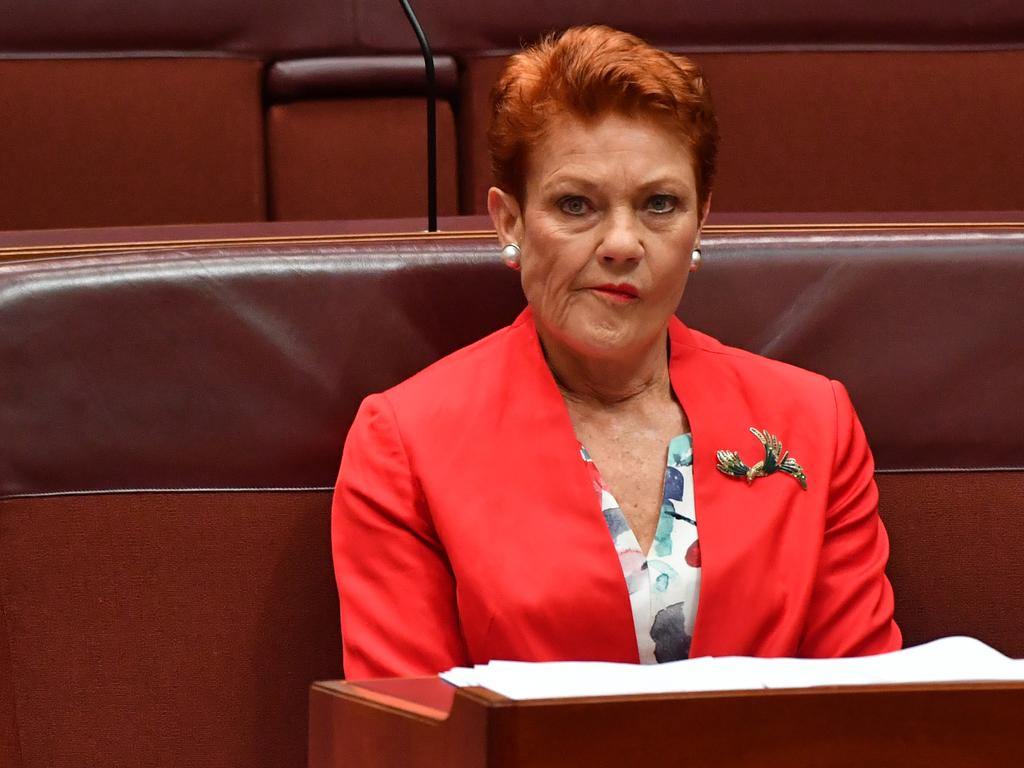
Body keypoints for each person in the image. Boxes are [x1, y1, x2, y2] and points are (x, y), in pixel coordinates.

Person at [332, 25, 901, 679]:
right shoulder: (406, 445)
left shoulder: (813, 422)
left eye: (660, 204)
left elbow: (869, 711)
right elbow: (407, 735)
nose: (623, 243)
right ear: (509, 222)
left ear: (700, 222)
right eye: (577, 205)